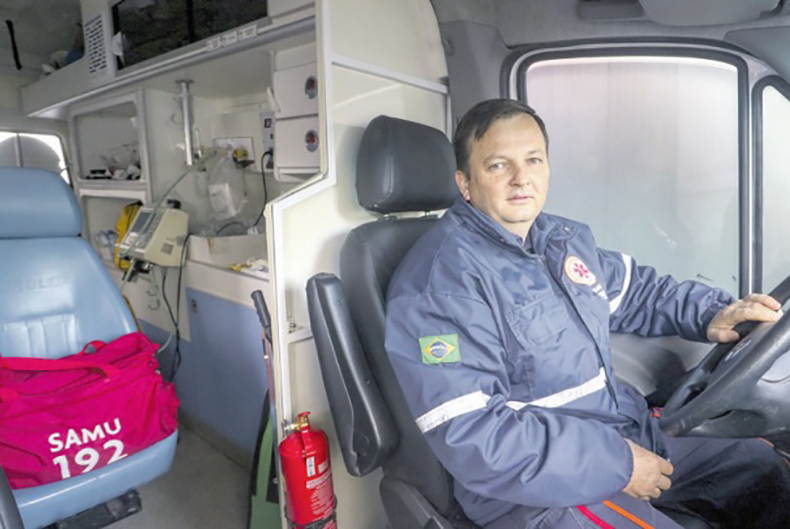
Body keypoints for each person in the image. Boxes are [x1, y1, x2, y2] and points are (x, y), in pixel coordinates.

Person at [384, 99, 790, 528]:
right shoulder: (440, 285)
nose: (522, 178)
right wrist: (617, 464)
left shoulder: (559, 240)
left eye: (533, 160)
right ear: (465, 183)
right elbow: (475, 436)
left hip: (619, 432)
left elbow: (638, 292)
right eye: (499, 165)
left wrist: (712, 313)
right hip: (535, 491)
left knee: (759, 468)